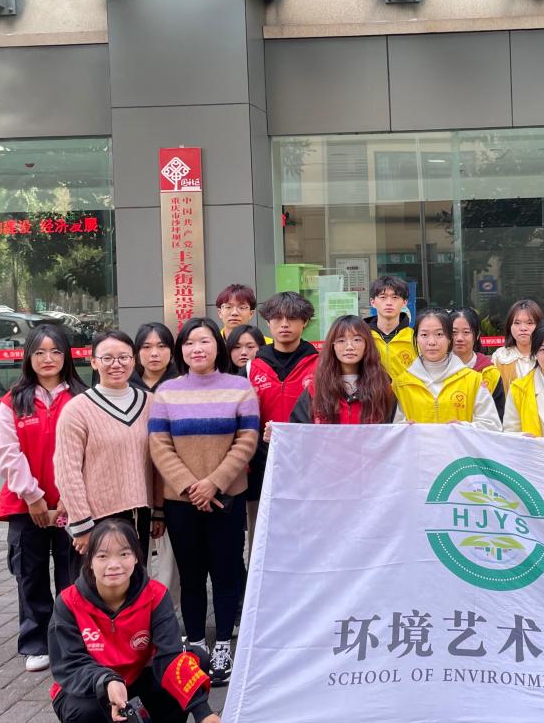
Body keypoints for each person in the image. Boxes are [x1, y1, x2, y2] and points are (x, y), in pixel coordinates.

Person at [149, 317, 259, 685]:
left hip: (226, 499)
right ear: (180, 350)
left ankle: (224, 643)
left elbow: (247, 440)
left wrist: (214, 483)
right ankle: (195, 642)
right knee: (191, 575)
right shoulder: (166, 392)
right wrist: (189, 486)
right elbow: (159, 446)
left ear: (218, 346)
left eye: (205, 341)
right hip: (181, 502)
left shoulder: (240, 388)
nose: (197, 349)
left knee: (226, 573)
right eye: (189, 343)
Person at [47, 519, 220, 723]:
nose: (114, 565)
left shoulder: (155, 595)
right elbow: (70, 664)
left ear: (137, 557)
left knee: (196, 659)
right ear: (90, 561)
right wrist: (106, 682)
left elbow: (170, 656)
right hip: (92, 687)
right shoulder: (68, 602)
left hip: (138, 677)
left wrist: (203, 712)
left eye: (124, 554)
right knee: (84, 711)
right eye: (102, 556)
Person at [0, 326, 87, 673]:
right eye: (40, 352)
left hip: (71, 503)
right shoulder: (13, 401)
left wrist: (67, 496)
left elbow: (87, 450)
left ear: (67, 356)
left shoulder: (82, 397)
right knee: (29, 573)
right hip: (24, 505)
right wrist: (33, 497)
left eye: (56, 351)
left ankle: (69, 640)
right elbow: (7, 453)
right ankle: (35, 642)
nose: (48, 359)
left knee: (71, 573)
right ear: (28, 357)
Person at [54, 330, 162, 578]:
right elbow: (67, 471)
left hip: (140, 514)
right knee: (96, 586)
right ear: (93, 362)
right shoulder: (77, 409)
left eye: (124, 357)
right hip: (96, 519)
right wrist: (81, 525)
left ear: (133, 360)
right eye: (107, 358)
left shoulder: (150, 403)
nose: (116, 364)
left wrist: (159, 511)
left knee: (134, 582)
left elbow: (158, 462)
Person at [247, 291, 319, 540]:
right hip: (261, 462)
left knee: (307, 530)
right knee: (262, 533)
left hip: (308, 462)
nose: (284, 324)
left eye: (292, 318)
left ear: (305, 322)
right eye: (277, 318)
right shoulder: (252, 366)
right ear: (268, 323)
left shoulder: (321, 364)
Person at [392, 308, 501, 430]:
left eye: (439, 334)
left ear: (450, 338)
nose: (432, 342)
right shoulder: (401, 384)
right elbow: (390, 430)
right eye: (424, 335)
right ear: (416, 338)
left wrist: (463, 428)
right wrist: (402, 430)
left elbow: (492, 426)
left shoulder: (474, 380)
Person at [290, 315, 396, 425]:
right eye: (341, 340)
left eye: (357, 340)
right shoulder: (316, 389)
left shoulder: (382, 388)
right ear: (332, 346)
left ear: (367, 344)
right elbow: (298, 430)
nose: (349, 347)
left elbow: (393, 430)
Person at [450, 307, 505, 420]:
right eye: (454, 332)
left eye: (466, 332)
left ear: (477, 335)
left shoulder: (490, 373)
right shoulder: (437, 370)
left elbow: (499, 417)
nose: (459, 338)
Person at [365, 275, 415, 381]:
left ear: (404, 302)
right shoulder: (363, 337)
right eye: (383, 297)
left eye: (395, 297)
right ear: (373, 302)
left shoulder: (415, 338)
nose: (389, 303)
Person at [492, 299, 544, 394]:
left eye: (530, 323)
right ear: (510, 326)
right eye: (517, 323)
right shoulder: (500, 357)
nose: (523, 328)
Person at [130, 323, 179, 393]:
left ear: (171, 351)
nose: (154, 353)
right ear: (138, 352)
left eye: (161, 346)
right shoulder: (126, 384)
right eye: (147, 347)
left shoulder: (182, 383)